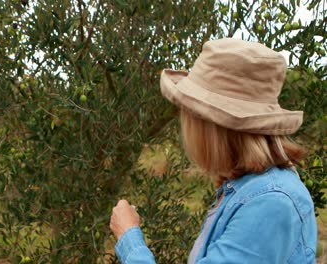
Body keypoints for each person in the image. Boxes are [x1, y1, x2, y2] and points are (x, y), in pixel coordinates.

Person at [109, 38, 317, 263]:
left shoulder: (270, 202)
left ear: (209, 125)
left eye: (188, 112)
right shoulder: (247, 188)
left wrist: (129, 238)